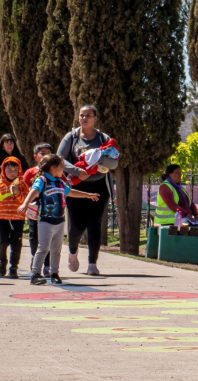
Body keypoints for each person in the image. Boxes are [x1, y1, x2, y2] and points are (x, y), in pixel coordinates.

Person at [18, 154, 99, 285]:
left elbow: (71, 192)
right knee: (43, 248)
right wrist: (25, 204)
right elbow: (34, 191)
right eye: (62, 167)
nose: (64, 169)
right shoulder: (43, 180)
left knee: (56, 250)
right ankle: (35, 274)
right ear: (53, 168)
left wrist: (87, 195)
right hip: (45, 220)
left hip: (59, 221)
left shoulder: (60, 182)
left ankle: (54, 273)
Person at [56, 104, 118, 276]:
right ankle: (73, 251)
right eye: (82, 115)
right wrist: (78, 171)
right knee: (77, 225)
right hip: (76, 186)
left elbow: (114, 161)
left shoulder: (104, 138)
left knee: (94, 223)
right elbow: (59, 158)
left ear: (95, 118)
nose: (84, 118)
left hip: (99, 186)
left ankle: (92, 263)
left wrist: (99, 164)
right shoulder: (72, 137)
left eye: (88, 115)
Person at [0, 156, 28, 278]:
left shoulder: (22, 184)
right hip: (2, 219)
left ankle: (13, 267)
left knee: (16, 244)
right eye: (9, 170)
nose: (12, 172)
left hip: (18, 219)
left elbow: (25, 200)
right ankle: (2, 262)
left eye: (15, 170)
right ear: (3, 170)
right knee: (3, 242)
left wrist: (18, 193)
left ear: (19, 170)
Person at [23, 143, 54, 277]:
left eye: (48, 153)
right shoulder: (30, 172)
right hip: (34, 211)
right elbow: (24, 188)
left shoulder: (56, 172)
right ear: (35, 156)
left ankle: (47, 265)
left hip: (50, 211)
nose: (45, 156)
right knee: (34, 236)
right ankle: (35, 259)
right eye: (42, 153)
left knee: (49, 238)